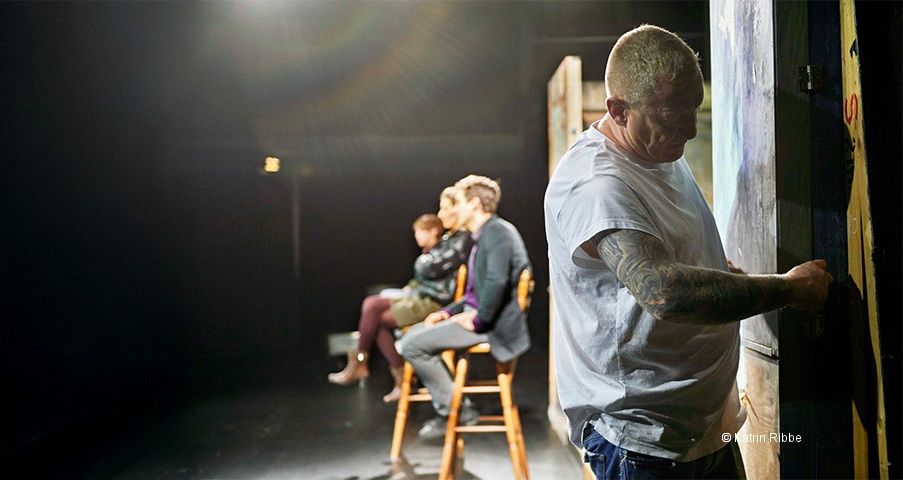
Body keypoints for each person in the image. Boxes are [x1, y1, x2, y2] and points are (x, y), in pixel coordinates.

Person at [543, 24, 834, 480]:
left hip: (703, 429)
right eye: (672, 116)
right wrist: (790, 288)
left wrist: (716, 273)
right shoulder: (596, 185)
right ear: (618, 110)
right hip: (644, 442)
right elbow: (666, 293)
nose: (691, 130)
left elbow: (670, 254)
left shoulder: (657, 150)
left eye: (693, 110)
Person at [398, 174, 533, 441]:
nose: (454, 209)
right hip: (480, 317)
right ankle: (455, 406)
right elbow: (476, 291)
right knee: (411, 336)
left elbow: (497, 281)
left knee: (412, 345)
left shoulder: (498, 232)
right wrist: (447, 312)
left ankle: (456, 410)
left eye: (458, 203)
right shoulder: (483, 235)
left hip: (494, 326)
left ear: (474, 204)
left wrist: (478, 320)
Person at [328, 189, 474, 403]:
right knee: (374, 309)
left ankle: (367, 362)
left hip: (434, 302)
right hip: (424, 296)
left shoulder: (460, 239)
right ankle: (383, 370)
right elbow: (424, 275)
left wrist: (421, 264)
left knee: (373, 308)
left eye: (445, 209)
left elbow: (428, 269)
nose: (441, 214)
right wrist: (413, 284)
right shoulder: (448, 240)